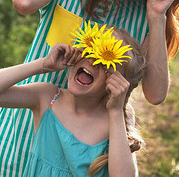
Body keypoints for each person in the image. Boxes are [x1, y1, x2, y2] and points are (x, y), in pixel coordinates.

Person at [0, 0, 179, 175]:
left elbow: (155, 94)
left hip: (90, 153)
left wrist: (157, 16)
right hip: (25, 126)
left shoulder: (145, 13)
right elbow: (24, 1)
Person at [0, 28, 146, 176]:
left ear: (119, 84)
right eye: (89, 50)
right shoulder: (48, 97)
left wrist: (115, 111)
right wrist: (42, 64)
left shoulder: (114, 121)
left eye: (106, 61)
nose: (92, 61)